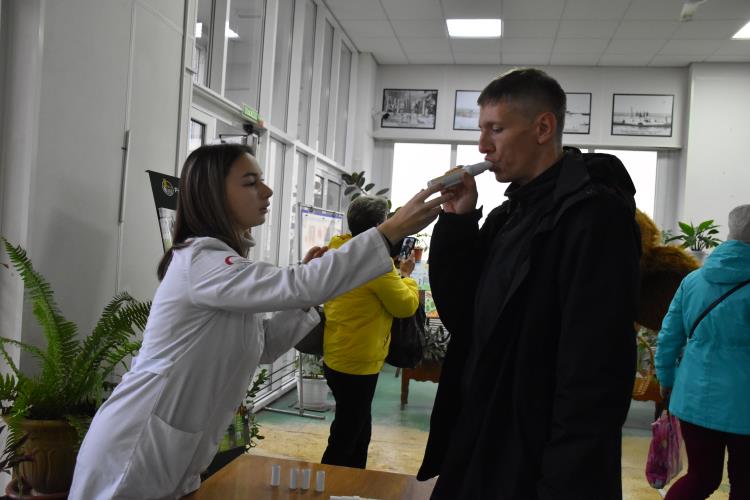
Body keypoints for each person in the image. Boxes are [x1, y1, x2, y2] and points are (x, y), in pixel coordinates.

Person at [69, 144, 450, 499]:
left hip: (173, 449)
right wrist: (389, 232)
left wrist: (308, 294)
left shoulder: (220, 266)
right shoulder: (201, 261)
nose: (267, 191)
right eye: (251, 182)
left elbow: (261, 346)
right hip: (134, 451)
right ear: (214, 195)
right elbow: (297, 284)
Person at [416, 68, 641, 498]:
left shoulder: (594, 218)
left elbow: (596, 368)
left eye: (496, 129)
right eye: (482, 130)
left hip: (539, 453)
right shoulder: (509, 216)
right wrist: (459, 222)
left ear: (543, 128)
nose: (482, 146)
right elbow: (465, 316)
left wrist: (564, 479)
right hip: (485, 431)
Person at [655, 204, 750, 500]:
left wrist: (666, 379)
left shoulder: (693, 281)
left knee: (700, 477)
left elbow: (669, 336)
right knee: (746, 483)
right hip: (744, 403)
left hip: (693, 395)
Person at [320, 196, 419, 469]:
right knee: (347, 436)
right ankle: (329, 484)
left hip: (337, 352)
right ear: (379, 226)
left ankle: (353, 484)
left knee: (358, 429)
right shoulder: (375, 264)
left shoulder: (338, 249)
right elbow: (404, 306)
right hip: (359, 361)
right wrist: (406, 276)